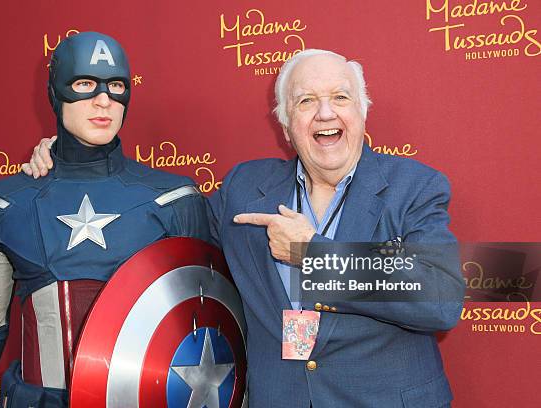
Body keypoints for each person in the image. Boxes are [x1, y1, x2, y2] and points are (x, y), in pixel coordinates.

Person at [24, 49, 465, 407]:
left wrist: (315, 255)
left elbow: (442, 298)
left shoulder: (415, 188)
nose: (325, 113)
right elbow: (161, 226)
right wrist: (72, 162)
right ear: (286, 125)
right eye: (305, 101)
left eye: (341, 98)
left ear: (363, 113)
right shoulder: (245, 186)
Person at [0, 31, 209, 407]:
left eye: (115, 86)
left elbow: (208, 327)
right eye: (84, 84)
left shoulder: (175, 199)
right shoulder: (2, 203)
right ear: (55, 93)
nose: (103, 101)